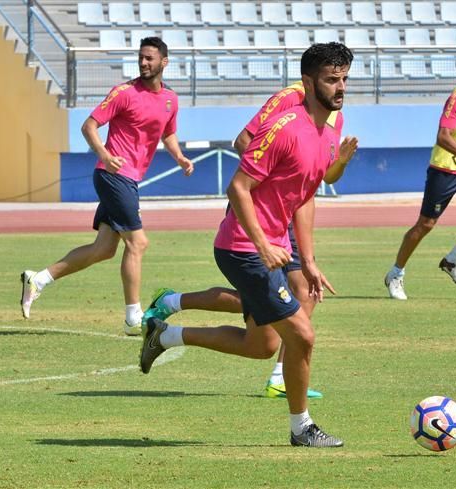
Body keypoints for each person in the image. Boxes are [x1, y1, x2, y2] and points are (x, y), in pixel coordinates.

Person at [139, 42, 353, 448]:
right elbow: (238, 186)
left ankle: (165, 335)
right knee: (302, 336)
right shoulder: (285, 126)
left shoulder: (331, 130)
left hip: (272, 247)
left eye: (344, 79)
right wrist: (263, 244)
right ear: (308, 83)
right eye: (331, 80)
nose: (340, 88)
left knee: (262, 345)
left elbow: (304, 195)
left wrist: (307, 259)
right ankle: (301, 428)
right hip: (243, 246)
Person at [19, 37, 194, 335]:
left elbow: (168, 133)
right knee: (138, 243)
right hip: (113, 175)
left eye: (150, 58)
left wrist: (179, 157)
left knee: (103, 249)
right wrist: (104, 154)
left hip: (128, 179)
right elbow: (88, 125)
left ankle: (39, 280)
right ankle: (132, 318)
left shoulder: (170, 99)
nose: (143, 62)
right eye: (141, 57)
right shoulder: (124, 93)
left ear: (164, 62)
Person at [384, 49, 456, 300]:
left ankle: (453, 260)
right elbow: (442, 136)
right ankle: (395, 273)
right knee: (425, 225)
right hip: (445, 168)